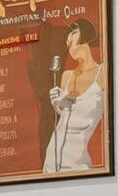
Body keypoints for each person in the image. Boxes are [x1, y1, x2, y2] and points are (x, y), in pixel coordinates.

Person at [43, 17, 105, 174]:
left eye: (73, 33)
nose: (68, 39)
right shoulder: (66, 75)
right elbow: (63, 116)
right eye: (67, 36)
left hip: (77, 165)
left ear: (86, 34)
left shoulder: (102, 72)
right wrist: (56, 103)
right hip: (51, 161)